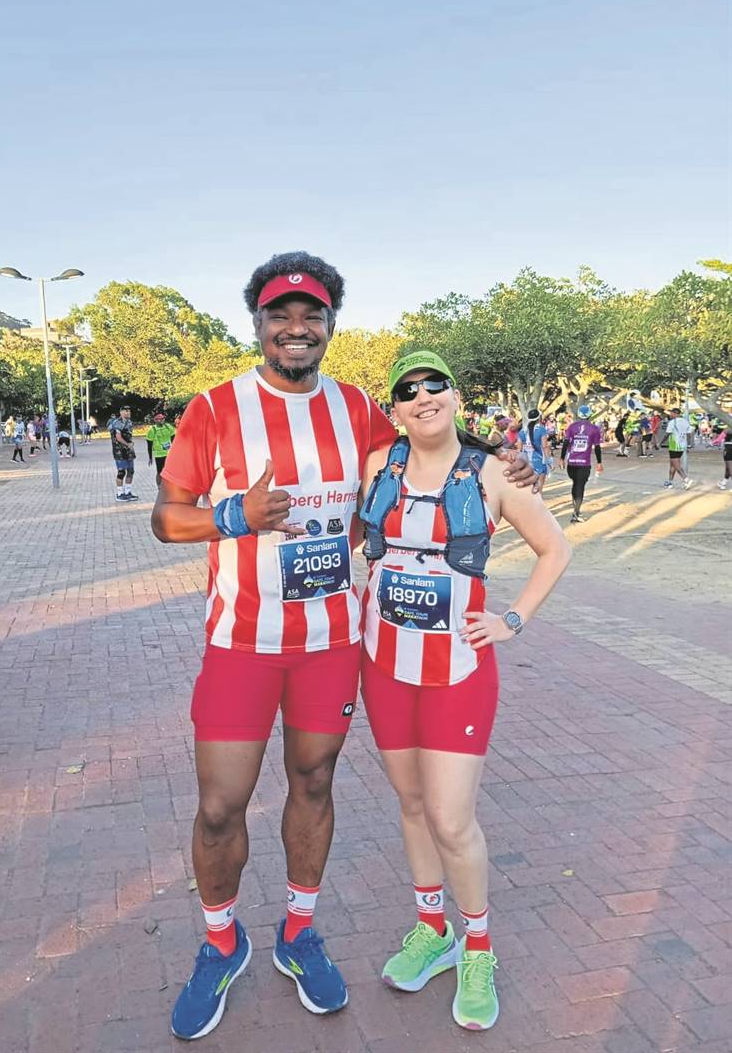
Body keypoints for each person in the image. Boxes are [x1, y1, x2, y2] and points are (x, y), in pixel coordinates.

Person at [150, 253, 536, 1042]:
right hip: (241, 642)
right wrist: (234, 517)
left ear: (329, 324)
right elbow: (165, 517)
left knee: (314, 783)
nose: (296, 327)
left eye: (312, 314)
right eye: (279, 314)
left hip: (331, 643)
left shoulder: (357, 407)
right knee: (220, 806)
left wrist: (503, 461)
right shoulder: (215, 407)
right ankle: (221, 944)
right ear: (257, 322)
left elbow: (430, 442)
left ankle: (298, 933)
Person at [359, 352, 570, 1032]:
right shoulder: (378, 464)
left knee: (452, 819)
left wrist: (511, 620)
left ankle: (477, 947)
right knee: (412, 804)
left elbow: (555, 548)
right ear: (394, 408)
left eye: (434, 385)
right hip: (383, 663)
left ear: (454, 395)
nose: (422, 396)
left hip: (458, 669)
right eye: (407, 390)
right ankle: (433, 930)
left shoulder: (493, 473)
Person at [560, 405, 603, 522]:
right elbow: (597, 447)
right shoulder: (594, 429)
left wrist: (562, 458)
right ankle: (576, 512)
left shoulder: (572, 427)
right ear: (590, 415)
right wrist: (599, 462)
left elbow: (565, 442)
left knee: (575, 484)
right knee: (580, 486)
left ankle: (576, 509)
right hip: (584, 463)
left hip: (572, 462)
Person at [517, 408, 552, 493]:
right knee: (539, 487)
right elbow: (544, 446)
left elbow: (519, 449)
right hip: (539, 461)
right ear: (539, 418)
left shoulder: (522, 431)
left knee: (528, 488)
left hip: (526, 462)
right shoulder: (541, 429)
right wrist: (549, 461)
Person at [109, 407, 138, 502]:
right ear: (121, 412)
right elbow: (118, 437)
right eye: (126, 411)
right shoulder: (117, 423)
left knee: (131, 471)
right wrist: (127, 444)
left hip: (129, 450)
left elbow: (128, 435)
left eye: (129, 411)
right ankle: (120, 493)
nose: (128, 412)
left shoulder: (129, 422)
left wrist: (130, 444)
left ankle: (127, 492)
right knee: (121, 472)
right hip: (119, 451)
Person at [663, 407, 693, 490]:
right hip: (682, 446)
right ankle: (670, 482)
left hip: (674, 446)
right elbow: (689, 434)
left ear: (675, 413)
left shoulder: (672, 422)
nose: (670, 415)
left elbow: (667, 434)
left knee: (677, 466)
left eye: (671, 413)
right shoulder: (685, 422)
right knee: (672, 464)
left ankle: (686, 479)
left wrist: (661, 443)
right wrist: (688, 445)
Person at [146, 409, 176, 485]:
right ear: (155, 420)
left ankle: (168, 486)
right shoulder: (152, 430)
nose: (161, 420)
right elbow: (149, 444)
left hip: (169, 453)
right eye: (159, 419)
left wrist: (175, 452)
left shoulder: (168, 427)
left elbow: (174, 440)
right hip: (159, 454)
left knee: (169, 471)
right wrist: (150, 457)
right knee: (159, 472)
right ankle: (159, 486)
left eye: (162, 419)